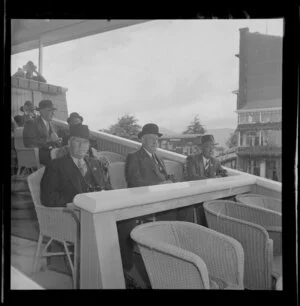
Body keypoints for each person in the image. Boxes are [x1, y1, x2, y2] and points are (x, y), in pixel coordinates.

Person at [40, 124, 111, 208]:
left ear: (88, 145)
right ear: (69, 142)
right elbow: (48, 198)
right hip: (75, 213)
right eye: (77, 141)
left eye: (85, 142)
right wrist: (77, 203)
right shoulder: (55, 166)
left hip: (100, 208)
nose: (81, 146)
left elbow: (106, 187)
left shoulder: (96, 163)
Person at [125, 123, 175, 187]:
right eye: (151, 138)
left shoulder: (159, 158)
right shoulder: (133, 157)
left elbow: (164, 176)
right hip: (145, 195)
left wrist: (172, 181)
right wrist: (158, 185)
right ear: (143, 140)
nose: (155, 142)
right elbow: (134, 182)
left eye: (156, 139)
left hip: (163, 193)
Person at [23, 99, 62, 166]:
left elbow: (52, 141)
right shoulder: (32, 123)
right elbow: (29, 142)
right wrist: (49, 141)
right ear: (42, 111)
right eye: (50, 110)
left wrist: (57, 141)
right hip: (38, 153)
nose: (53, 113)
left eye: (53, 111)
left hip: (51, 151)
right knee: (61, 159)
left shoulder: (50, 124)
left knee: (68, 154)